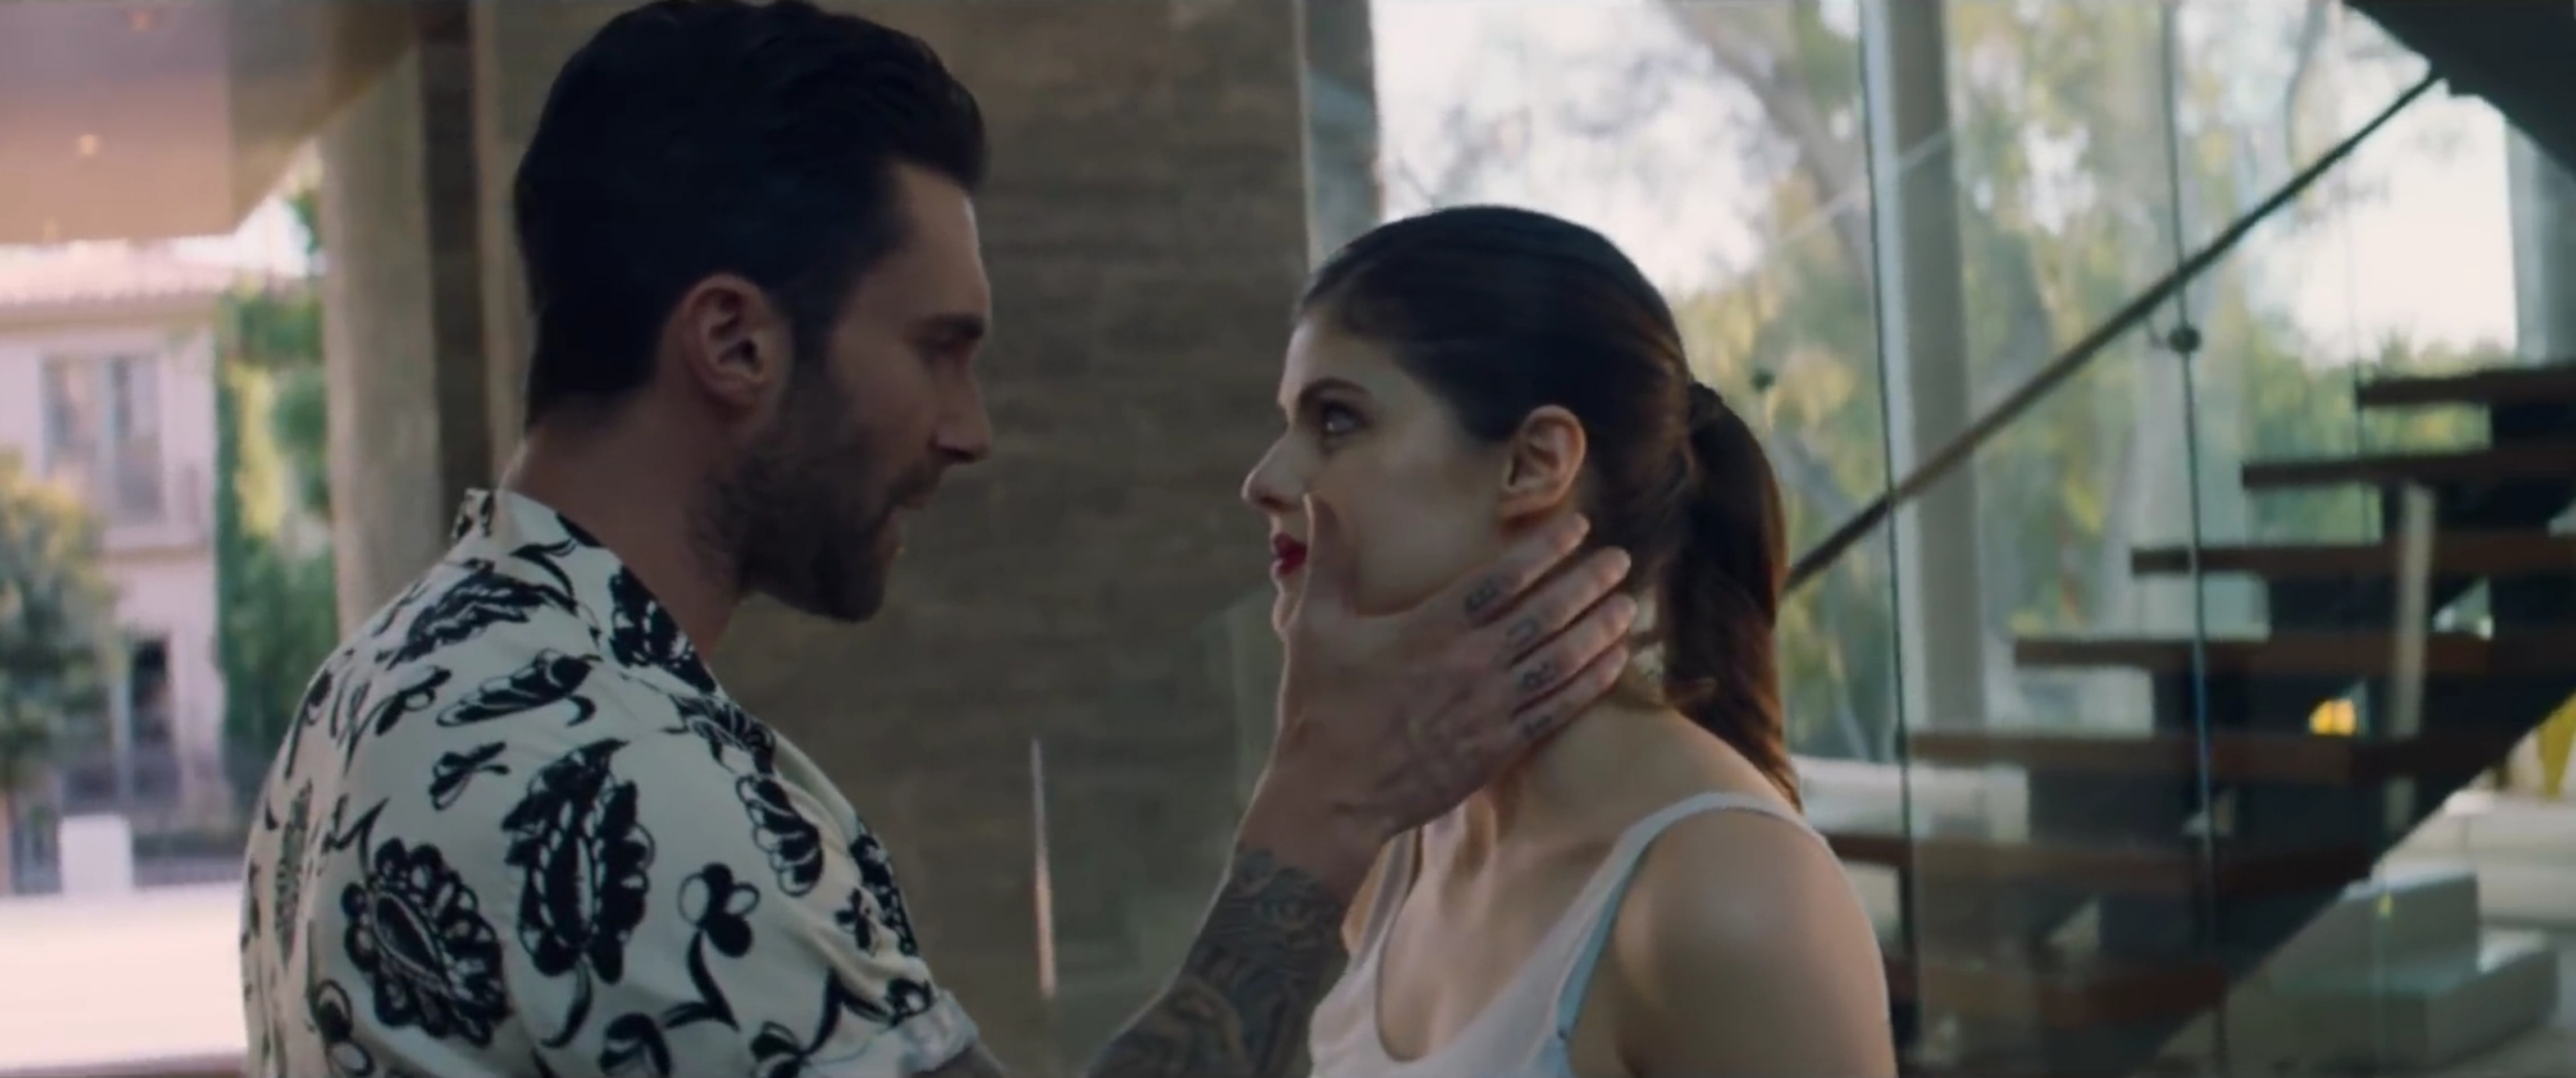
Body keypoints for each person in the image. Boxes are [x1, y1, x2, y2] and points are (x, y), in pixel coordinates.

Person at [233, 4, 1640, 1077]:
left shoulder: (372, 689)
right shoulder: (618, 783)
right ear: (734, 342)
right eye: (938, 349)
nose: (970, 430)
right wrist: (1319, 814)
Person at [1242, 205, 1895, 1078]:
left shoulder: (1726, 897)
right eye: (1290, 422)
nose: (1265, 480)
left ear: (1534, 462)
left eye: (1336, 420)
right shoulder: (1400, 854)